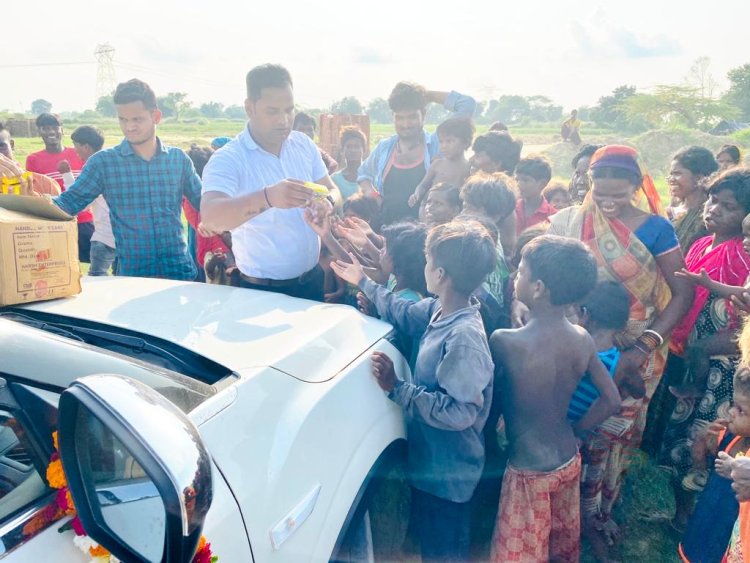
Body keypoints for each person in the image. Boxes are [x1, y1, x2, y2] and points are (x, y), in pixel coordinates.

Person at [330, 220, 497, 563]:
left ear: (439, 273)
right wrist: (363, 281)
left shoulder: (464, 338)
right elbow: (403, 312)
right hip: (432, 463)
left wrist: (398, 388)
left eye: (426, 261)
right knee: (432, 540)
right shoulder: (441, 309)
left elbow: (460, 412)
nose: (423, 268)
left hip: (450, 474)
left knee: (445, 547)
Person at [546, 145, 693, 473]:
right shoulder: (574, 222)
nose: (608, 202)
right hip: (579, 335)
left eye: (619, 194)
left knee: (613, 429)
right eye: (600, 193)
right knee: (572, 411)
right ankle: (564, 486)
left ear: (638, 186)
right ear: (590, 185)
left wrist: (642, 349)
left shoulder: (657, 229)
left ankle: (601, 502)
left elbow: (683, 293)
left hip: (638, 343)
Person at [489, 235, 621, 563]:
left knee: (519, 552)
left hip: (527, 470)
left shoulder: (505, 341)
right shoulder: (581, 338)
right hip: (567, 458)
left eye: (520, 272)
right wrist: (577, 431)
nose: (515, 278)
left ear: (538, 288)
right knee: (561, 543)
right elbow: (612, 401)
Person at [655, 169, 750, 530]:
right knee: (682, 435)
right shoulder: (700, 244)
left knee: (709, 442)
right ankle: (683, 512)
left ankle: (707, 520)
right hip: (691, 357)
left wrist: (701, 348)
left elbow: (739, 322)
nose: (714, 210)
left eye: (728, 206)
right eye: (712, 200)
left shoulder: (743, 256)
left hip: (723, 371)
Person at [200, 64, 339, 301]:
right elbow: (211, 216)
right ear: (249, 108)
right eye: (272, 111)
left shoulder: (303, 145)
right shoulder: (230, 158)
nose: (284, 120)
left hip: (312, 281)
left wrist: (327, 202)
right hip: (262, 291)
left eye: (289, 110)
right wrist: (268, 198)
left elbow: (332, 189)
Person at [46, 79, 203, 280]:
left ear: (156, 116)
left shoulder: (178, 160)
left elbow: (205, 202)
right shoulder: (104, 163)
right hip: (132, 277)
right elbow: (67, 204)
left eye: (137, 119)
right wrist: (27, 203)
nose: (130, 127)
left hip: (179, 272)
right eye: (123, 120)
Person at [571, 281, 639, 560]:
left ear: (587, 314)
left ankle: (596, 549)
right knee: (589, 494)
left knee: (576, 499)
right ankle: (599, 541)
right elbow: (639, 390)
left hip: (570, 431)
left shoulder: (575, 348)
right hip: (595, 433)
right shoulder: (621, 360)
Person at [358, 81, 476, 225]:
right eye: (400, 118)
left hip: (428, 234)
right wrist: (373, 194)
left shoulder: (438, 143)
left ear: (424, 114)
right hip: (388, 234)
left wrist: (427, 95)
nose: (406, 124)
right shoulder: (385, 148)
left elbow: (467, 104)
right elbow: (363, 174)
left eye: (412, 117)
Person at [677, 365, 750, 563]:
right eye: (734, 405)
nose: (732, 412)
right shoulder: (728, 436)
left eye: (742, 410)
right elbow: (699, 466)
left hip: (733, 535)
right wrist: (702, 441)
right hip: (707, 518)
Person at [26, 113, 94, 263]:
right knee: (59, 266)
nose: (51, 132)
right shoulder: (33, 159)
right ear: (39, 132)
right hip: (54, 223)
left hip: (83, 221)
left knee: (93, 268)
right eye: (45, 128)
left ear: (62, 130)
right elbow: (34, 192)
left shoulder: (78, 153)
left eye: (55, 127)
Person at [69, 126, 115, 276]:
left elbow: (80, 201)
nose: (76, 154)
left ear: (86, 147)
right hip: (124, 235)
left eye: (77, 149)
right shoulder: (113, 165)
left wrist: (66, 175)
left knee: (97, 276)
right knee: (122, 277)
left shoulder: (92, 169)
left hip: (104, 237)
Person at [408, 117, 474, 209]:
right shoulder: (437, 165)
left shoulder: (469, 169)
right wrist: (417, 194)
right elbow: (423, 185)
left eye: (449, 141)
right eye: (441, 142)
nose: (444, 146)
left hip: (455, 214)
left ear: (466, 143)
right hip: (431, 210)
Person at [668, 146, 719, 253]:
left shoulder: (711, 216)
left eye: (677, 173)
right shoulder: (669, 213)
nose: (671, 179)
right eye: (670, 174)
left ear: (699, 178)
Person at [514, 154, 557, 234]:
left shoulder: (552, 216)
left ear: (542, 184)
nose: (519, 184)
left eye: (525, 180)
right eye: (517, 180)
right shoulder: (510, 209)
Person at [331, 126, 367, 201]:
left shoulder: (372, 176)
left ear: (364, 150)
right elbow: (332, 203)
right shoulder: (335, 180)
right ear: (342, 151)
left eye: (357, 147)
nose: (353, 150)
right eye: (348, 147)